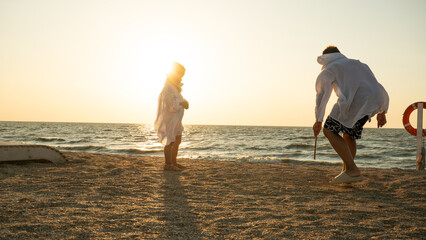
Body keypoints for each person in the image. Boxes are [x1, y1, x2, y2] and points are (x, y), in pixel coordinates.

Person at [313, 46, 389, 184]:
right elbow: (376, 86)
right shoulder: (359, 64)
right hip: (372, 100)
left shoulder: (331, 67)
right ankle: (347, 173)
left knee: (328, 130)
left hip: (356, 100)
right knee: (349, 135)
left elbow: (322, 94)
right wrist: (382, 110)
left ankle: (352, 169)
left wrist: (318, 120)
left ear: (325, 58)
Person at [155, 62, 189, 171]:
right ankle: (168, 164)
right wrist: (181, 103)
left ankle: (174, 162)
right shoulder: (168, 87)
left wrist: (184, 102)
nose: (181, 77)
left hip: (177, 120)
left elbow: (179, 98)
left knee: (177, 139)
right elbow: (170, 102)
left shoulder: (176, 87)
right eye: (179, 74)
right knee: (170, 141)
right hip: (170, 119)